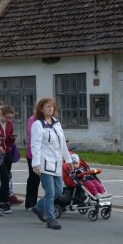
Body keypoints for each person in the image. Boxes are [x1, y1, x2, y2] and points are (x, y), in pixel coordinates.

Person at [31, 97, 73, 230]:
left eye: (52, 106)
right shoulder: (37, 124)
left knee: (59, 190)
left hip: (56, 162)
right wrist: (36, 163)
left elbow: (62, 143)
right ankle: (51, 219)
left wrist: (69, 159)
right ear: (41, 109)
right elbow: (35, 145)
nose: (50, 109)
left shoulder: (56, 122)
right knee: (50, 192)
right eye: (48, 106)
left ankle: (38, 207)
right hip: (44, 162)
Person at [0, 101, 23, 206]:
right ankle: (3, 201)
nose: (9, 120)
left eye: (11, 118)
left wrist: (12, 139)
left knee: (6, 178)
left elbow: (9, 141)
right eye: (7, 117)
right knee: (5, 176)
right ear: (1, 114)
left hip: (7, 154)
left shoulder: (9, 124)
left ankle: (3, 200)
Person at [25, 113, 41, 209]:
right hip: (33, 154)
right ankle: (30, 202)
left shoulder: (51, 120)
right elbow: (32, 134)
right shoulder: (33, 119)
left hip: (46, 155)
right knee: (34, 178)